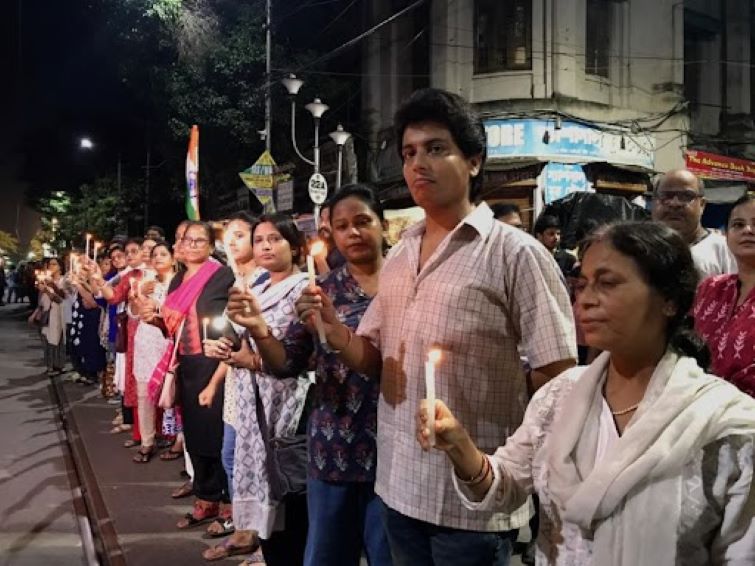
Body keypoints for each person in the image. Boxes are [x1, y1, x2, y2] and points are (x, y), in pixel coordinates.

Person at [301, 88, 576, 565]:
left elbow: (559, 378)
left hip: (470, 501)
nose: (417, 164)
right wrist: (334, 330)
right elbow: (375, 359)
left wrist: (521, 464)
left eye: (435, 149)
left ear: (473, 161)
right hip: (398, 487)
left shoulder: (515, 254)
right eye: (409, 153)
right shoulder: (400, 255)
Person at [419, 221, 755, 565]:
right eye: (582, 285)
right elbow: (506, 488)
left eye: (607, 283)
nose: (586, 300)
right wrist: (459, 445)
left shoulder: (726, 427)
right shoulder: (561, 396)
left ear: (668, 300)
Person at [226, 185, 392, 566]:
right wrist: (259, 329)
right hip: (333, 448)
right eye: (342, 226)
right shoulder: (321, 291)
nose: (353, 232)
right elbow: (286, 363)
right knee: (326, 556)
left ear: (383, 225)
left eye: (363, 221)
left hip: (394, 449)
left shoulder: (407, 284)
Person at [219, 213, 311, 565]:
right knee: (266, 502)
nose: (266, 246)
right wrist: (226, 348)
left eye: (275, 239)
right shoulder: (255, 288)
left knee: (289, 499)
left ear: (295, 246)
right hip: (251, 403)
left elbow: (300, 359)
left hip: (285, 405)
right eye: (259, 240)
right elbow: (240, 340)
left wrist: (252, 360)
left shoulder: (304, 290)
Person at [141, 221, 234, 530]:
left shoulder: (222, 275)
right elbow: (172, 327)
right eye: (185, 240)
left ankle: (228, 504)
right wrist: (154, 319)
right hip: (187, 364)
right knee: (194, 434)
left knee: (216, 434)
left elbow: (233, 324)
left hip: (215, 362)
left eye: (198, 241)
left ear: (211, 246)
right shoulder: (178, 280)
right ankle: (205, 498)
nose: (191, 245)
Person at [199, 211, 266, 558]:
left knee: (260, 466)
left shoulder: (265, 282)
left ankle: (262, 542)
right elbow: (233, 342)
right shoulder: (236, 283)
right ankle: (244, 529)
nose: (232, 241)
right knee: (232, 459)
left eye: (240, 234)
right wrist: (217, 359)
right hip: (236, 387)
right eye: (229, 236)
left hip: (262, 386)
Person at [693, 194, 755, 397]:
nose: (748, 230)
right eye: (738, 225)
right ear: (726, 236)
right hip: (701, 404)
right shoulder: (711, 288)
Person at [131, 241, 175, 463]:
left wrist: (157, 306)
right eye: (155, 254)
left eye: (163, 254)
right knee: (144, 393)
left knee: (172, 393)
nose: (157, 258)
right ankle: (147, 441)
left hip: (167, 341)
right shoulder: (146, 281)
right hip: (146, 341)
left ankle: (175, 438)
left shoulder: (179, 283)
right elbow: (134, 312)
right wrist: (137, 295)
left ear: (173, 258)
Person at [652, 169, 736, 278]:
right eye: (666, 196)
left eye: (686, 196)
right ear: (654, 201)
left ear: (702, 205)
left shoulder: (725, 249)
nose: (675, 203)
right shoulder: (638, 249)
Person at [32, 258, 67, 375]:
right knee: (46, 339)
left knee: (57, 340)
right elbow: (41, 300)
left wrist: (49, 288)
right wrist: (35, 313)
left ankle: (59, 365)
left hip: (58, 314)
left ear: (60, 267)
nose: (51, 266)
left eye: (54, 264)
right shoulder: (44, 280)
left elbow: (61, 298)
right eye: (49, 264)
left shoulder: (64, 280)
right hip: (46, 314)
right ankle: (49, 365)